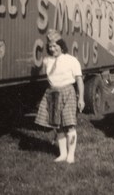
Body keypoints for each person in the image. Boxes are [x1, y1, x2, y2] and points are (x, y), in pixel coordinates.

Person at [35, 29, 85, 164]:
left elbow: (79, 80)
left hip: (68, 92)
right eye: (50, 47)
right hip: (52, 93)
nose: (52, 49)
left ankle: (71, 155)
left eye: (55, 46)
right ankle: (63, 154)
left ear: (61, 46)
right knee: (57, 126)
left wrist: (81, 98)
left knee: (70, 124)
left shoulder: (72, 60)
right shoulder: (47, 61)